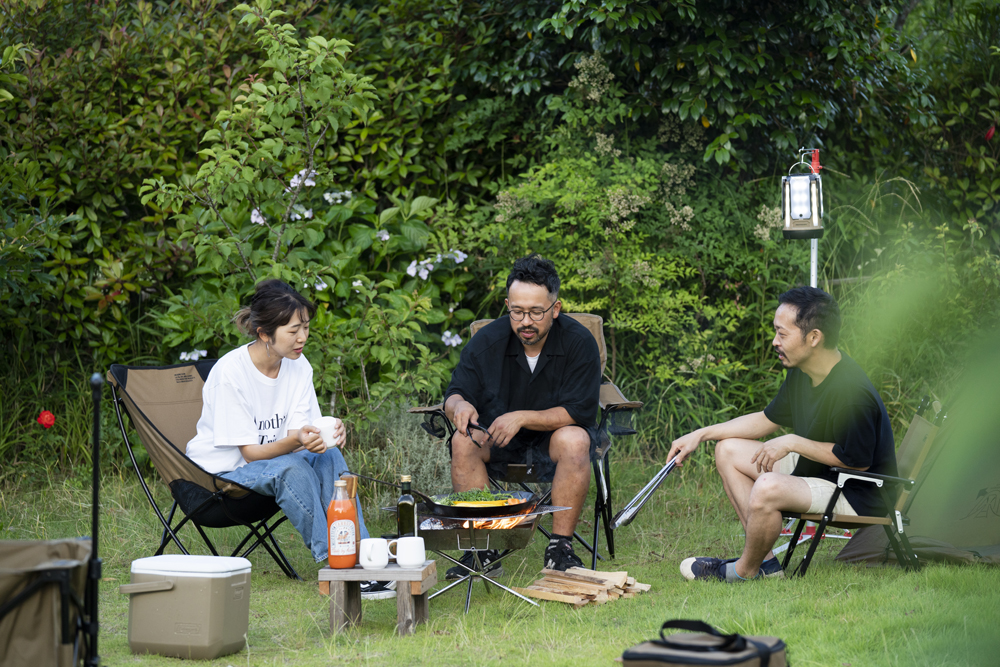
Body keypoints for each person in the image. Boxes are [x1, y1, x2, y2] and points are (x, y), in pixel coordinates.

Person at [667, 286, 897, 582]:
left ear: (814, 337)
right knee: (728, 451)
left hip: (858, 490)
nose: (775, 342)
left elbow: (856, 462)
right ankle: (766, 565)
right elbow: (766, 419)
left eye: (782, 334)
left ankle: (744, 571)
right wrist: (701, 434)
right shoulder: (802, 373)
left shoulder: (852, 392)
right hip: (821, 473)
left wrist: (791, 442)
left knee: (767, 486)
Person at [186, 279, 392, 599]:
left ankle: (363, 556)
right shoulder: (231, 374)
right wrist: (298, 438)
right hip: (221, 477)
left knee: (329, 456)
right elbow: (252, 454)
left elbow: (301, 434)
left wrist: (328, 435)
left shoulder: (298, 365)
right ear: (264, 333)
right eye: (293, 330)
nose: (303, 338)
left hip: (270, 463)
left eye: (306, 328)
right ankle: (336, 566)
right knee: (291, 467)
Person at [442, 253, 602, 577]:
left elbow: (579, 410)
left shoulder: (578, 343)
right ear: (507, 305)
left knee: (575, 439)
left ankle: (560, 548)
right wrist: (460, 407)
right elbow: (455, 393)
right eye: (517, 311)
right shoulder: (487, 341)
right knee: (463, 441)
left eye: (535, 312)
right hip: (499, 442)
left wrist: (521, 416)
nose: (525, 321)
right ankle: (482, 548)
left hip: (553, 444)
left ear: (555, 309)